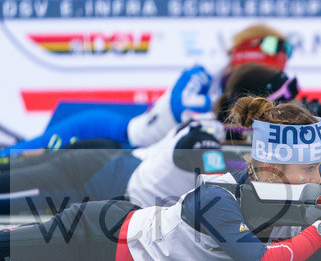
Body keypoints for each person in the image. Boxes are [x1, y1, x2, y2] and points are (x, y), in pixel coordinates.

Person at [0, 96, 321, 261]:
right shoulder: (218, 194)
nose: (318, 181)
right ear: (276, 170)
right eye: (309, 171)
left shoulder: (283, 209)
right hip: (93, 240)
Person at [0, 63, 296, 215]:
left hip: (103, 165)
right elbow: (223, 182)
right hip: (88, 173)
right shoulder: (206, 136)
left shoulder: (214, 131)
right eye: (278, 107)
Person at [0, 23, 293, 159]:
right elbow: (183, 107)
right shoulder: (205, 72)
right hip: (112, 134)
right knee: (20, 157)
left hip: (138, 158)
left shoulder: (268, 93)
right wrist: (226, 108)